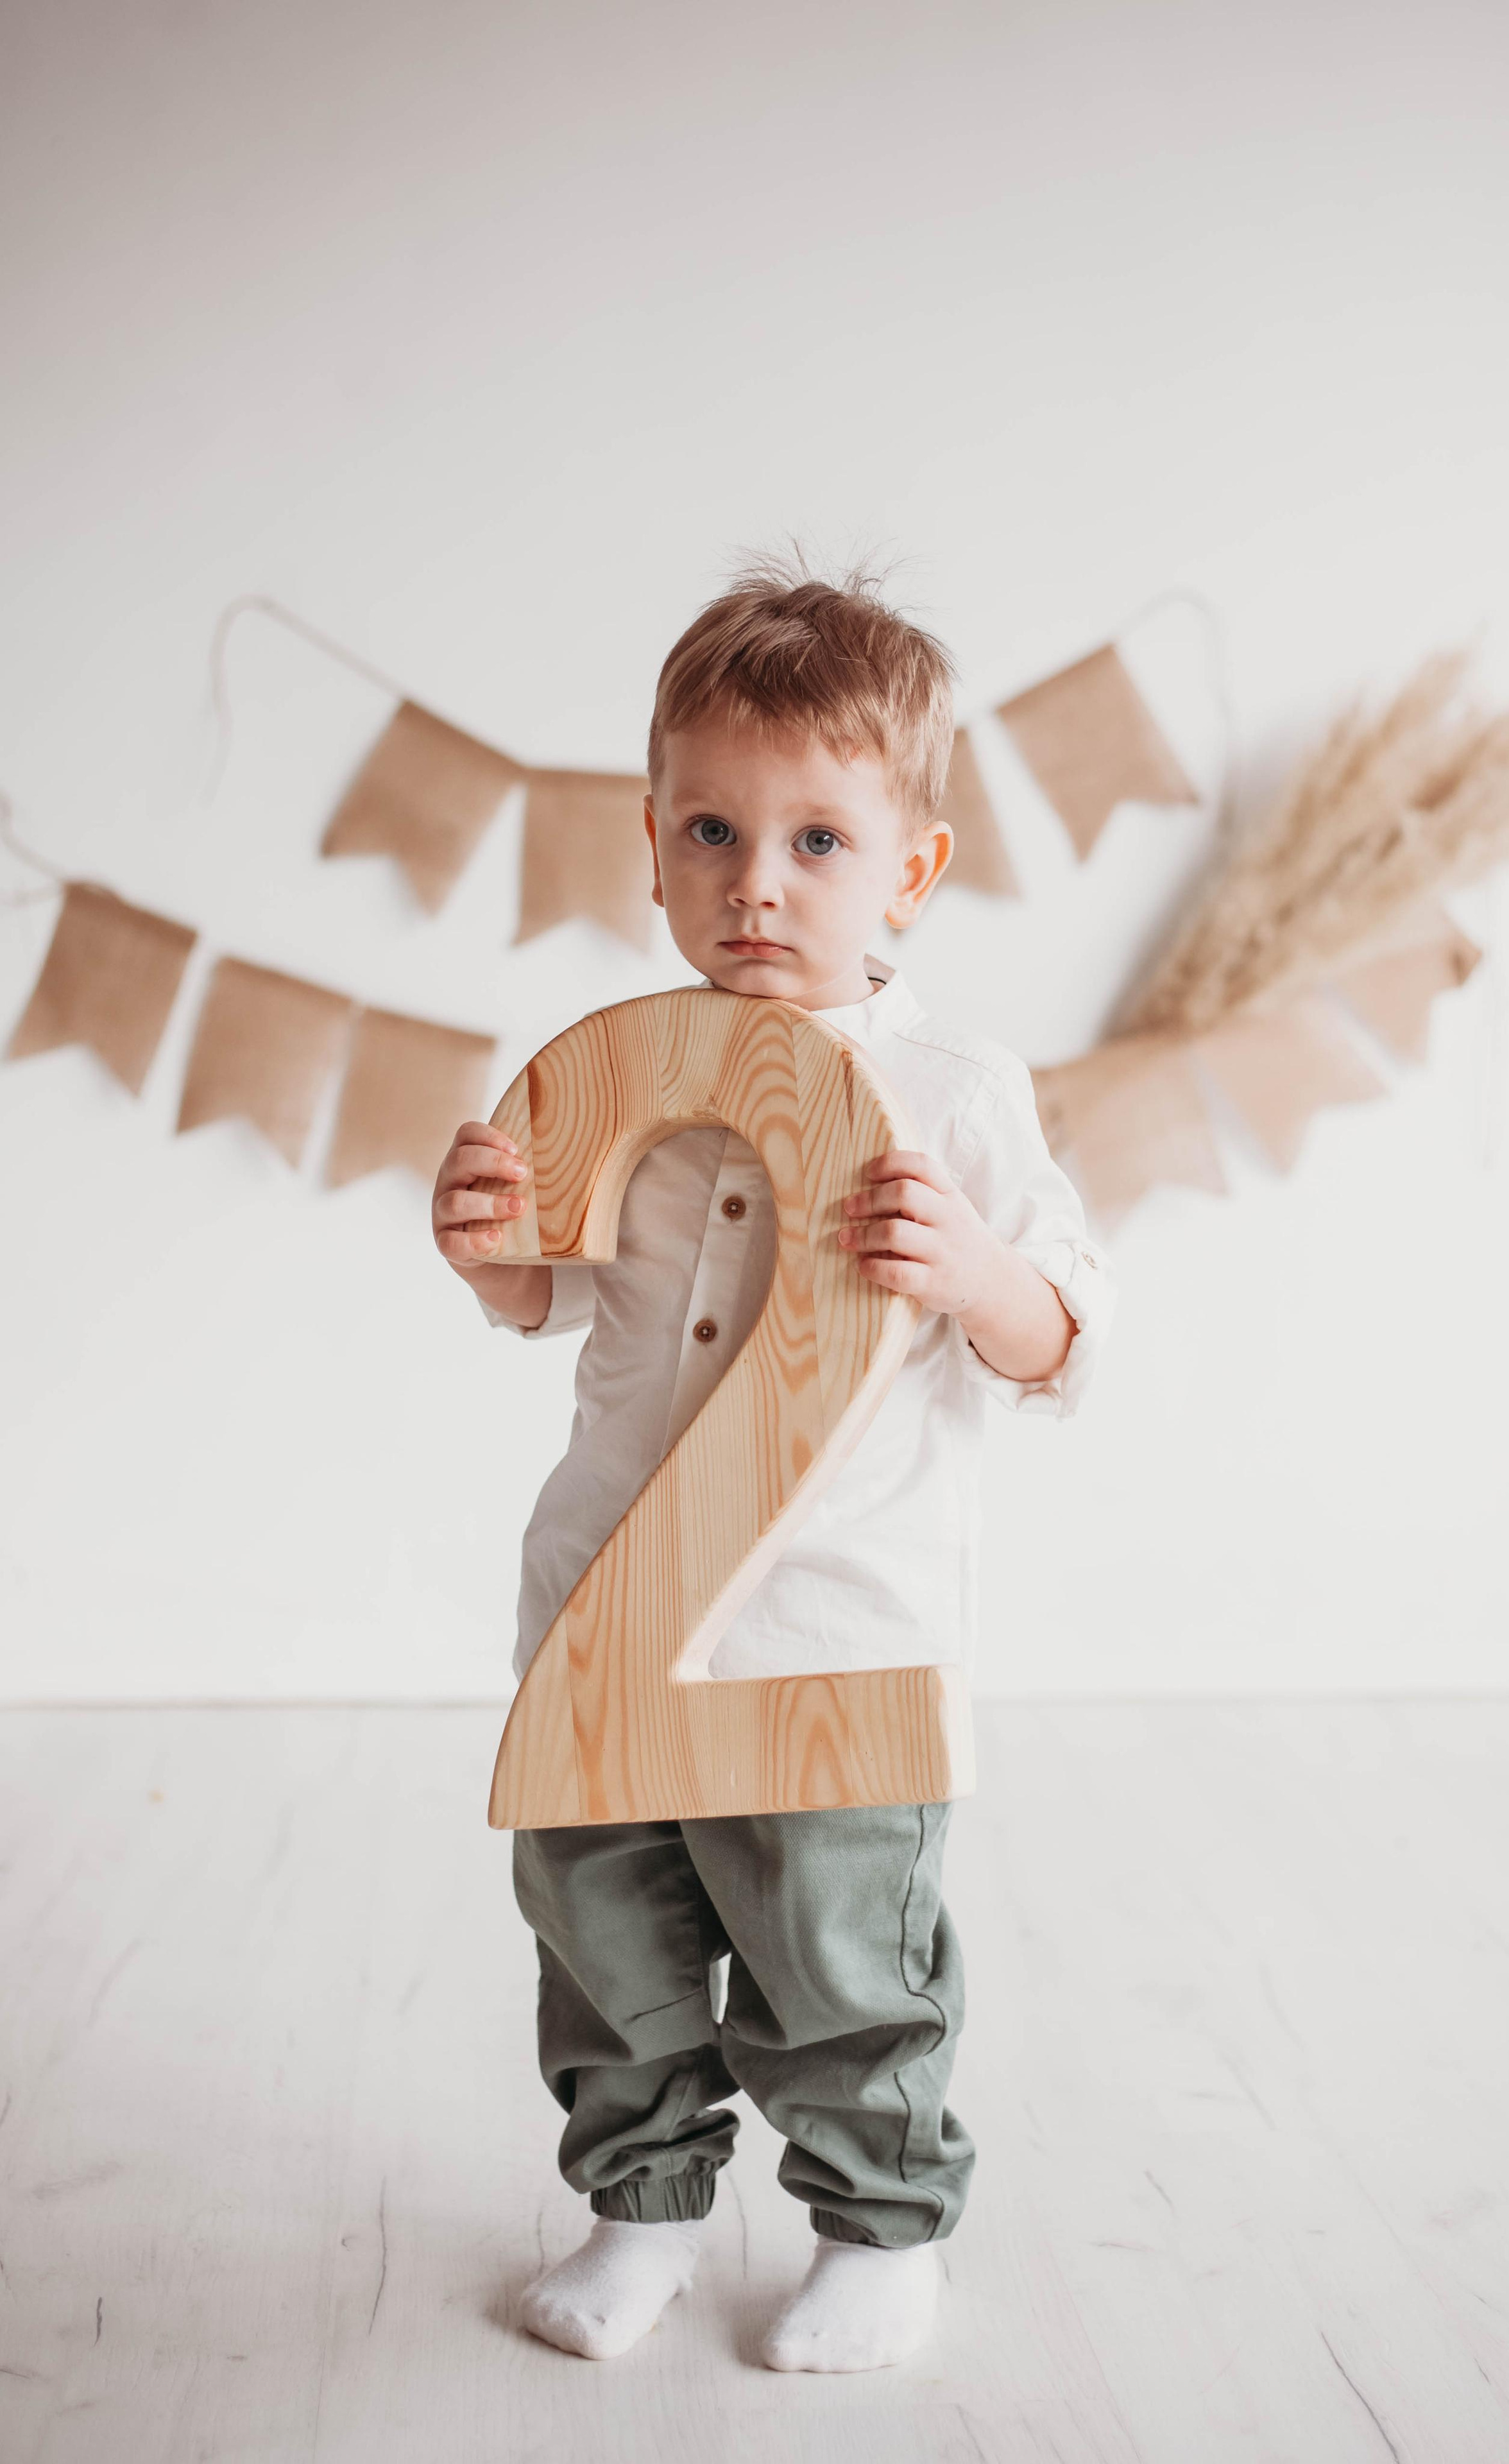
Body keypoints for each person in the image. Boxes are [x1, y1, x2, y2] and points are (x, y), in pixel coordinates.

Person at [431, 554, 1116, 2372]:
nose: (757, 883)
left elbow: (1068, 1333)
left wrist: (978, 1275)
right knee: (606, 1940)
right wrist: (489, 1247)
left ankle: (881, 2229)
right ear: (652, 847)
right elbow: (551, 1296)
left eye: (818, 841)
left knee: (839, 1959)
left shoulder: (955, 1090)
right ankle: (641, 2206)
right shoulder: (614, 1082)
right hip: (607, 1611)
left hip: (833, 1634)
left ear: (912, 870)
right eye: (714, 833)